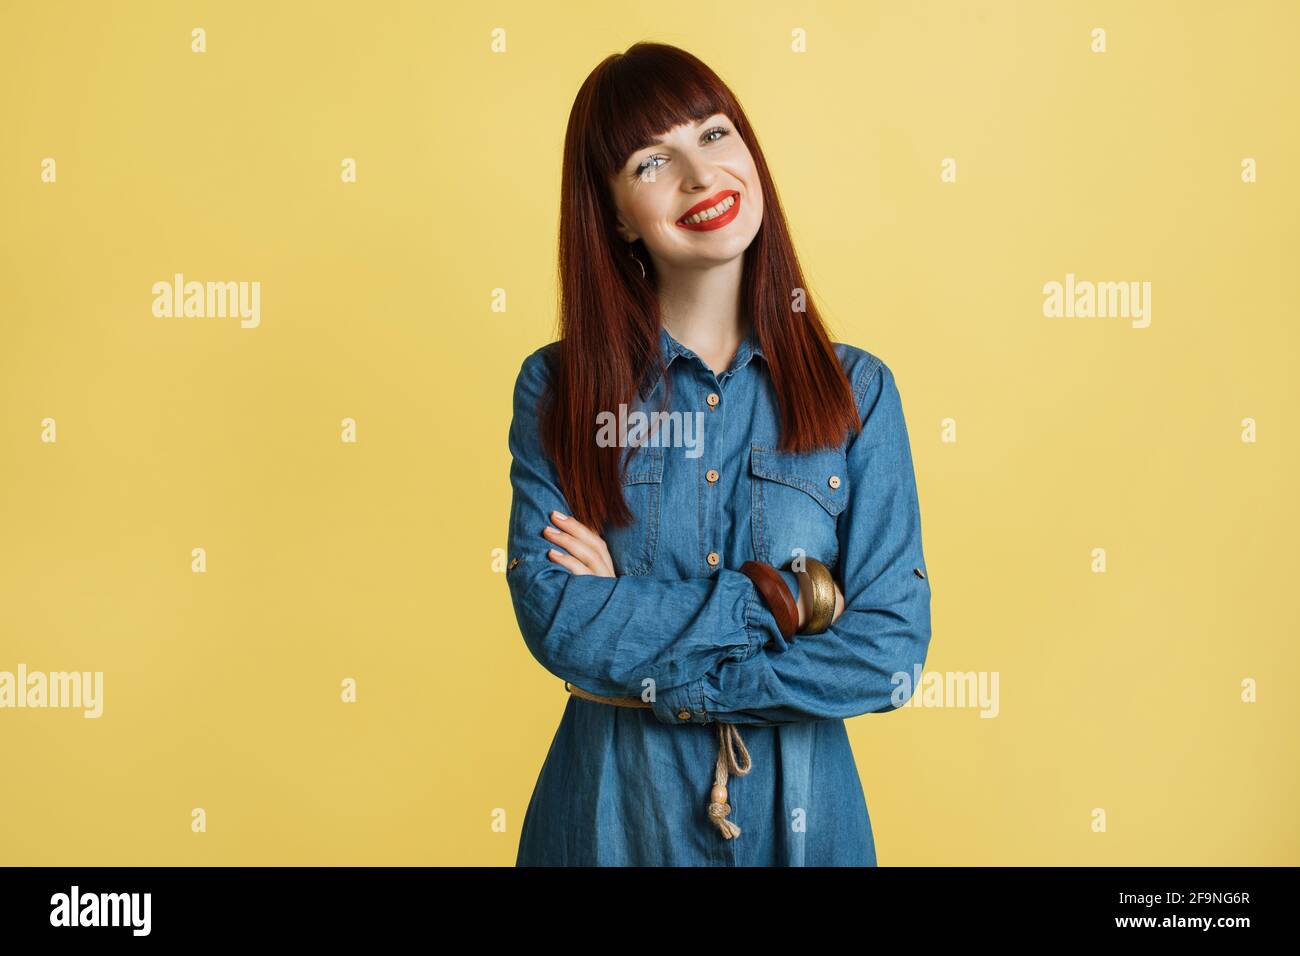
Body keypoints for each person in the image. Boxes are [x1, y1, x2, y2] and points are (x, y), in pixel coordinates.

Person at [504, 41, 932, 866]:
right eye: (651, 160)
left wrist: (653, 639)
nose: (700, 177)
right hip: (611, 824)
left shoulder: (859, 393)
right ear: (617, 214)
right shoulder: (558, 389)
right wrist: (772, 603)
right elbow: (555, 615)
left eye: (713, 134)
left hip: (805, 830)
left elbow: (888, 653)